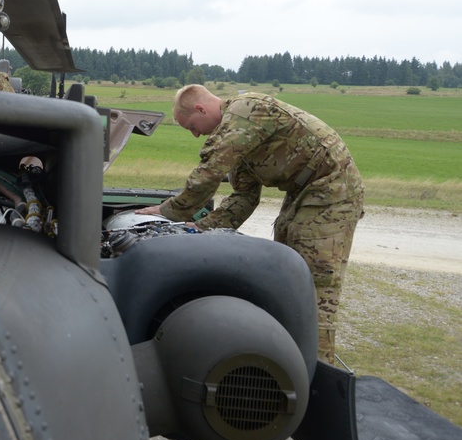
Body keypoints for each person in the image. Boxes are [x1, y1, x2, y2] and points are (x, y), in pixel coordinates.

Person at [136, 84, 364, 364]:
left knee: (314, 285)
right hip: (305, 191)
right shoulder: (239, 137)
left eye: (192, 126)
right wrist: (200, 228)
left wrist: (167, 212)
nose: (196, 134)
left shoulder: (245, 113)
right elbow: (244, 197)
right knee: (287, 275)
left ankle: (318, 372)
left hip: (332, 189)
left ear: (201, 109)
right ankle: (287, 361)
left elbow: (209, 172)